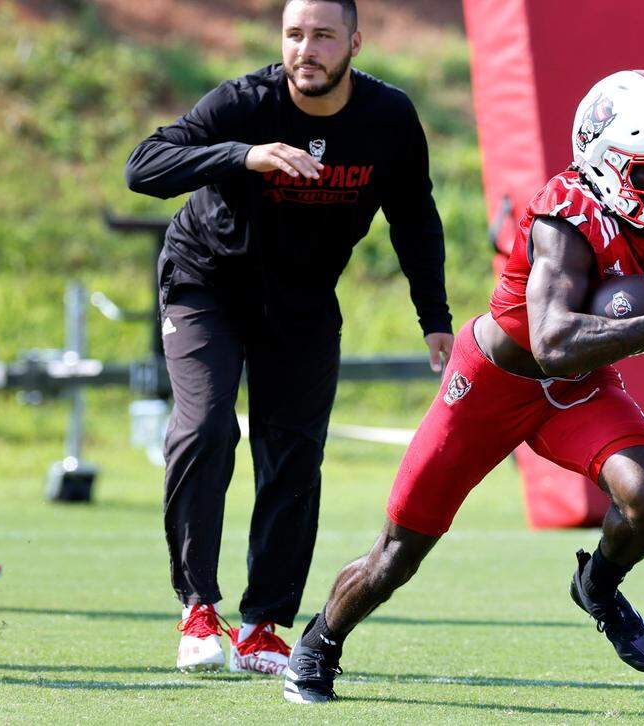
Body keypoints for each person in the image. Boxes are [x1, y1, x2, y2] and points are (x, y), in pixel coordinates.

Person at [282, 69, 644, 704]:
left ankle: (598, 589)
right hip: (494, 383)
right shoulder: (566, 216)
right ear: (605, 163)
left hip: (578, 388)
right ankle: (318, 644)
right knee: (397, 555)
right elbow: (552, 344)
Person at [124, 0, 454, 676]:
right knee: (206, 425)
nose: (307, 49)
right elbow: (144, 165)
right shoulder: (245, 103)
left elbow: (415, 219)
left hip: (302, 304)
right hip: (205, 285)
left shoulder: (388, 119)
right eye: (295, 35)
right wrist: (243, 155)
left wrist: (435, 318)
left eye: (324, 36)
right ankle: (197, 608)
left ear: (354, 42)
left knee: (295, 456)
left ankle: (263, 626)